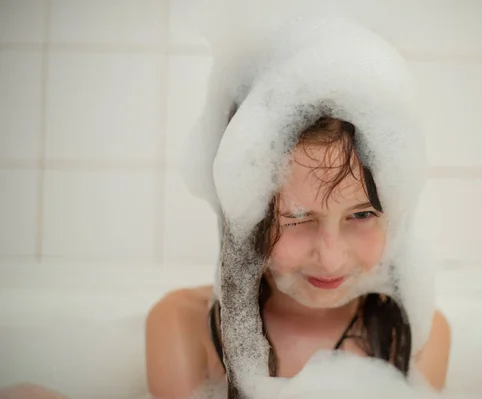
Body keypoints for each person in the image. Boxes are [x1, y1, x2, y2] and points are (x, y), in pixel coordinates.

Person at [146, 116, 451, 399]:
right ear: (246, 223)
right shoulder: (186, 327)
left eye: (362, 214)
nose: (331, 259)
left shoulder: (415, 337)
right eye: (298, 218)